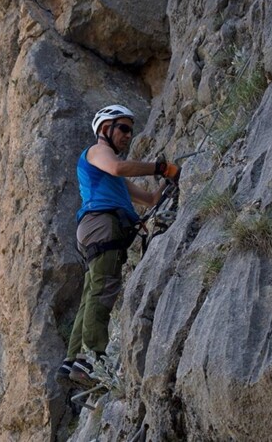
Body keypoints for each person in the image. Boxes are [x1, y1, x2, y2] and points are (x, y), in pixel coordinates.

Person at [56, 104, 180, 388]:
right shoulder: (98, 151)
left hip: (96, 229)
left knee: (92, 291)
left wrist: (173, 180)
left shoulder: (113, 181)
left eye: (130, 131)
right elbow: (117, 165)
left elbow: (150, 199)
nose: (128, 135)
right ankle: (94, 358)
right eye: (123, 128)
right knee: (102, 289)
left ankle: (72, 358)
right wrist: (162, 168)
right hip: (102, 225)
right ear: (105, 130)